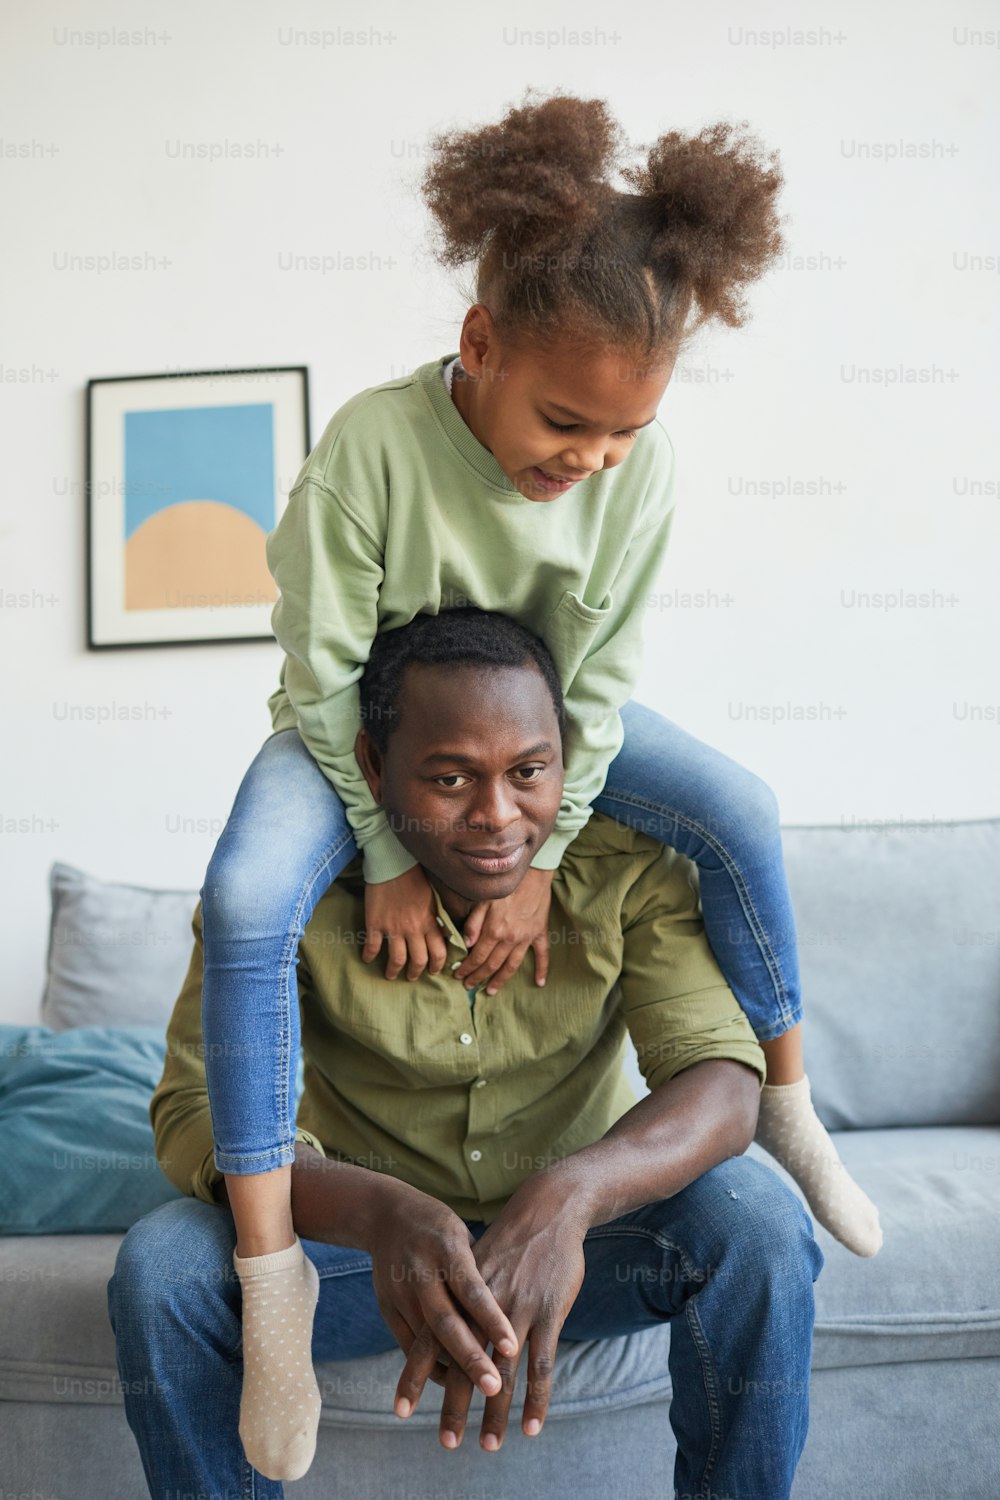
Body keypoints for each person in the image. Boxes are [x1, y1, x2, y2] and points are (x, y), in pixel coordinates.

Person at [198, 90, 879, 1482]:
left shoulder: (638, 473)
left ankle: (795, 1100)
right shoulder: (374, 452)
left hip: (543, 734)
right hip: (357, 738)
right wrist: (389, 850)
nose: (591, 466)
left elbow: (601, 680)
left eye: (622, 439)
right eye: (568, 424)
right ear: (480, 343)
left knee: (740, 803)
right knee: (243, 891)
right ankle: (272, 1283)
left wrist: (555, 847)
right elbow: (324, 669)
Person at [109, 609, 825, 1499]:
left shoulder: (627, 861)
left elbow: (721, 1084)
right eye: (450, 779)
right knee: (166, 1268)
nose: (497, 816)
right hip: (353, 1256)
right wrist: (384, 1216)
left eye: (529, 772)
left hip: (579, 1245)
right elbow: (193, 1117)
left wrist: (567, 1199)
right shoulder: (281, 890)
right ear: (374, 768)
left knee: (755, 1219)